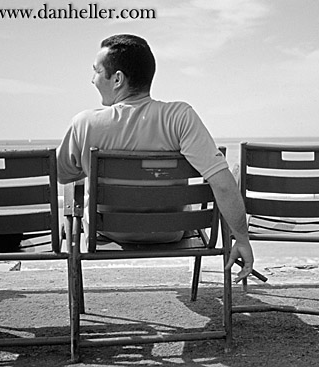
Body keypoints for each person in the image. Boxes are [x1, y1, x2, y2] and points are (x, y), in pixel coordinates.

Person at [56, 34, 253, 282]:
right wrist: (242, 240)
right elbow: (223, 183)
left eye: (96, 71)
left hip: (109, 232)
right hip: (170, 232)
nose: (92, 79)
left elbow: (63, 175)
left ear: (117, 79)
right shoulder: (180, 116)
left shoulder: (85, 124)